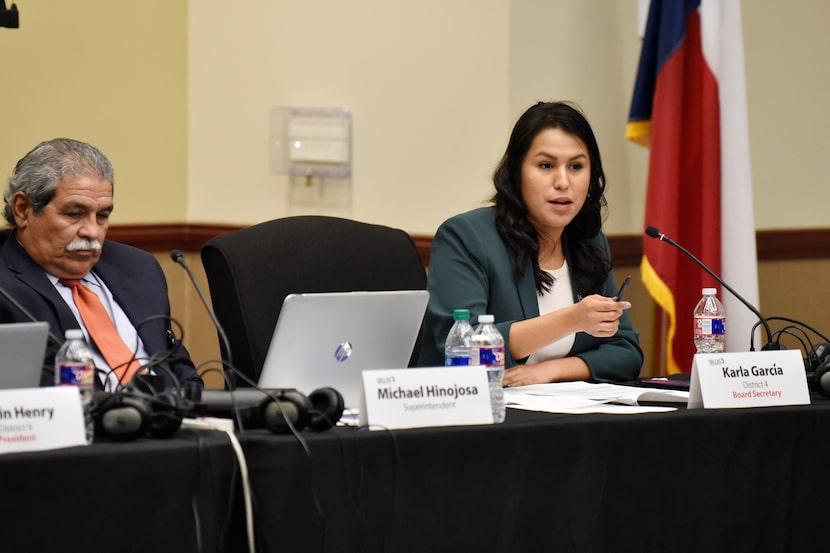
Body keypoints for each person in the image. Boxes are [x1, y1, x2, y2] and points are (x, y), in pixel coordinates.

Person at [419, 101, 643, 384]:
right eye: (546, 165)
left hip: (567, 413)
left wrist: (548, 372)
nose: (563, 182)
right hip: (479, 414)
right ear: (516, 172)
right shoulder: (466, 237)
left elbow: (626, 351)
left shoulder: (589, 242)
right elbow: (462, 347)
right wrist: (572, 319)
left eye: (576, 166)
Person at [0, 138, 202, 391]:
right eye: (74, 214)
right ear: (22, 210)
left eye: (103, 216)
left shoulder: (138, 268)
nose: (93, 232)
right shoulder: (6, 287)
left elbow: (183, 373)